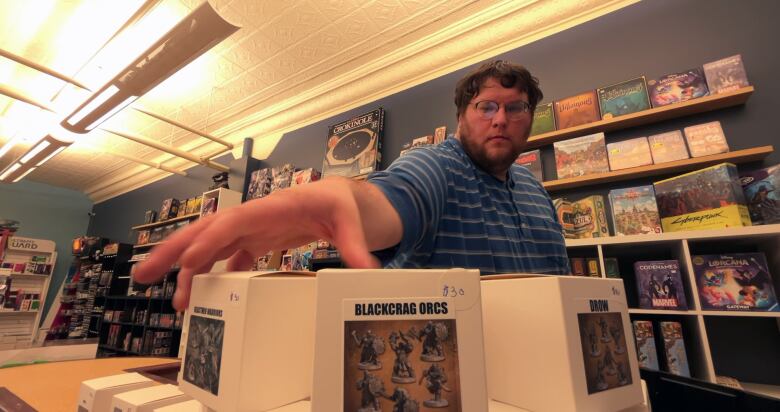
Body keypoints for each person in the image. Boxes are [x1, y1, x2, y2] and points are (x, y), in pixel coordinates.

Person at [134, 60, 569, 311]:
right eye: (486, 106)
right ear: (460, 116)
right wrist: (327, 204)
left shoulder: (537, 195)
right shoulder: (437, 168)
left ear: (530, 116)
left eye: (516, 108)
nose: (500, 119)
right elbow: (388, 200)